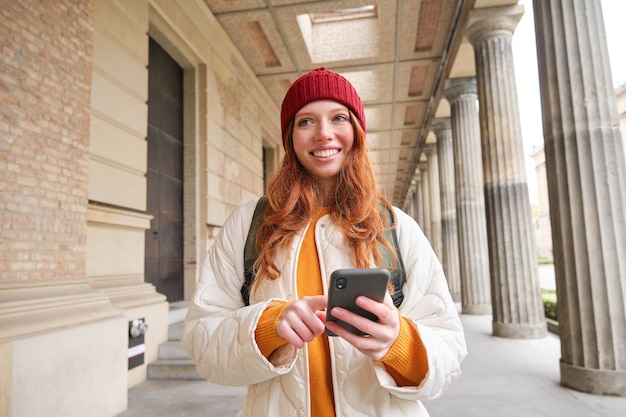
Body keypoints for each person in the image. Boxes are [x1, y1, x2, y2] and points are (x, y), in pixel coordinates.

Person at [182, 67, 466, 417]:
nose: (324, 134)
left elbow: (450, 350)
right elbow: (202, 341)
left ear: (357, 131)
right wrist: (269, 326)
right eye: (306, 122)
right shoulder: (248, 225)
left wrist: (399, 343)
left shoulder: (396, 227)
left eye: (338, 118)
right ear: (289, 137)